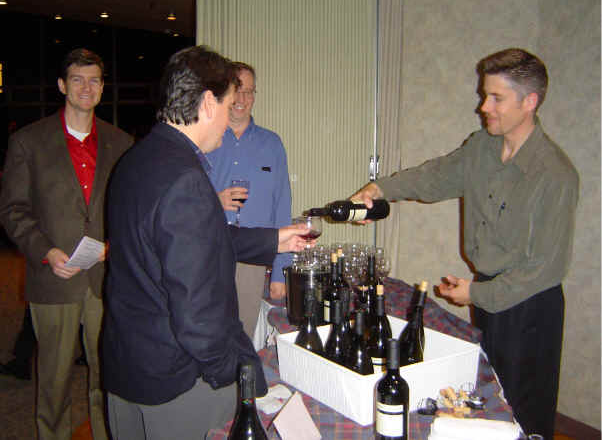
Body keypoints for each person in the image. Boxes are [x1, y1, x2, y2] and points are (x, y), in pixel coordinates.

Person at [352, 48, 578, 439]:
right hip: (489, 295)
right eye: (484, 95)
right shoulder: (482, 147)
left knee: (523, 412)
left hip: (530, 308)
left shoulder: (555, 175)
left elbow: (545, 269)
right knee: (489, 398)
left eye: (496, 98)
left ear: (529, 102)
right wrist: (380, 188)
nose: (483, 107)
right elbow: (435, 177)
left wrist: (475, 293)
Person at [101, 45, 312, 439]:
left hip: (127, 361)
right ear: (209, 103)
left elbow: (186, 238)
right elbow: (198, 314)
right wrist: (230, 376)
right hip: (176, 379)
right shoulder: (186, 178)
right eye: (230, 104)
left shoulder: (137, 158)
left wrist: (273, 240)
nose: (231, 117)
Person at [0, 48, 133, 440]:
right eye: (77, 79)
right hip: (53, 276)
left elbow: (129, 206)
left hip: (105, 277)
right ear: (62, 85)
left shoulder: (121, 142)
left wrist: (115, 243)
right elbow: (12, 209)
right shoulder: (28, 142)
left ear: (103, 88)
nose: (86, 88)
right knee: (54, 381)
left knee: (107, 375)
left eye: (94, 80)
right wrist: (45, 250)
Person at [207, 61, 292, 339]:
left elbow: (282, 207)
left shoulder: (272, 144)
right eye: (237, 90)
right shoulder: (205, 141)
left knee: (241, 335)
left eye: (250, 91)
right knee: (205, 331)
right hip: (208, 251)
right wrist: (214, 200)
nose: (242, 99)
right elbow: (184, 199)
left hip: (252, 260)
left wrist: (280, 271)